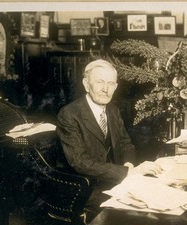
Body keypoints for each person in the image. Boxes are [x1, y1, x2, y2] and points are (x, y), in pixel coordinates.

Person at [57, 59, 162, 215]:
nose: (105, 89)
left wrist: (129, 165)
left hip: (113, 180)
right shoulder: (69, 114)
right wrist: (127, 173)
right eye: (99, 82)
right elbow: (80, 162)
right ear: (86, 84)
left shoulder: (113, 110)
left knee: (156, 197)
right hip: (85, 187)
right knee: (139, 211)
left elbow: (125, 143)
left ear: (116, 86)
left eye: (110, 83)